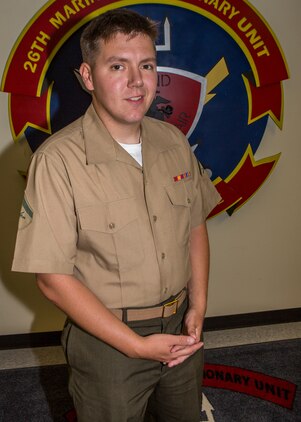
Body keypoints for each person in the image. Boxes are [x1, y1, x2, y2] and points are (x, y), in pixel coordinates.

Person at [12, 8, 220, 422]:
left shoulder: (173, 141)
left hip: (181, 327)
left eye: (146, 65)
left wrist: (198, 307)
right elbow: (52, 280)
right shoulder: (58, 161)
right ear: (88, 77)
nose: (136, 81)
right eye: (117, 66)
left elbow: (195, 226)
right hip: (107, 343)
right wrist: (137, 346)